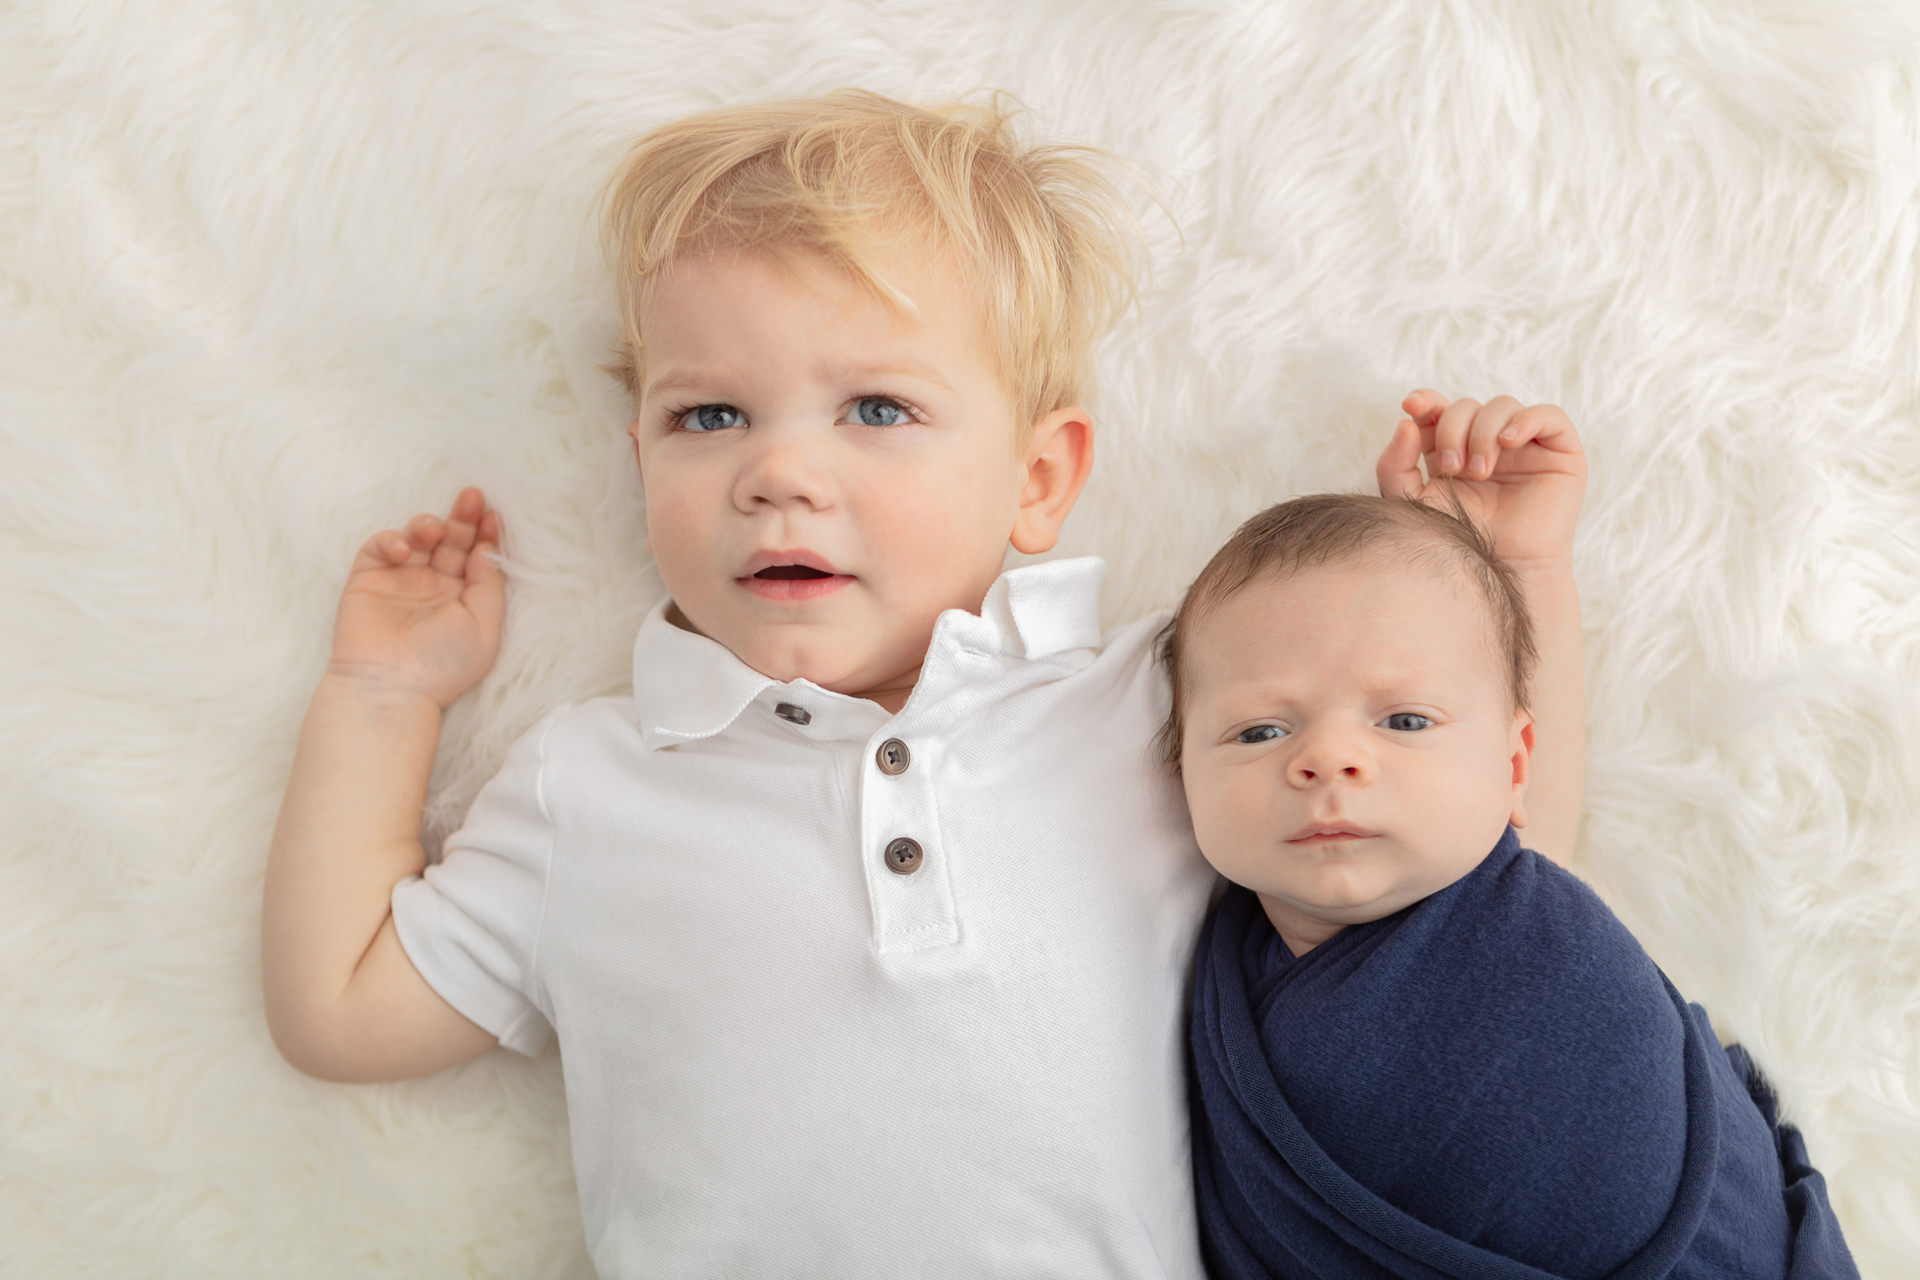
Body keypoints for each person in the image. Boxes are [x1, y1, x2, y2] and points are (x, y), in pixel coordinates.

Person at [259, 90, 1590, 1277]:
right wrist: (383, 697)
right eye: (708, 415)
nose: (778, 473)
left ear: (1038, 479)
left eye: (877, 410)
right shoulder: (592, 780)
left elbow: (1482, 863)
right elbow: (341, 1008)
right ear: (638, 461)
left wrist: (1504, 571)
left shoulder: (1153, 703)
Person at [1161, 493, 1855, 1278]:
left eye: (1405, 721)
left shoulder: (1508, 900)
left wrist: (1531, 565)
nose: (1327, 758)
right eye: (1260, 731)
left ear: (1513, 766)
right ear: (1180, 773)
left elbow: (1531, 812)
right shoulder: (1206, 969)